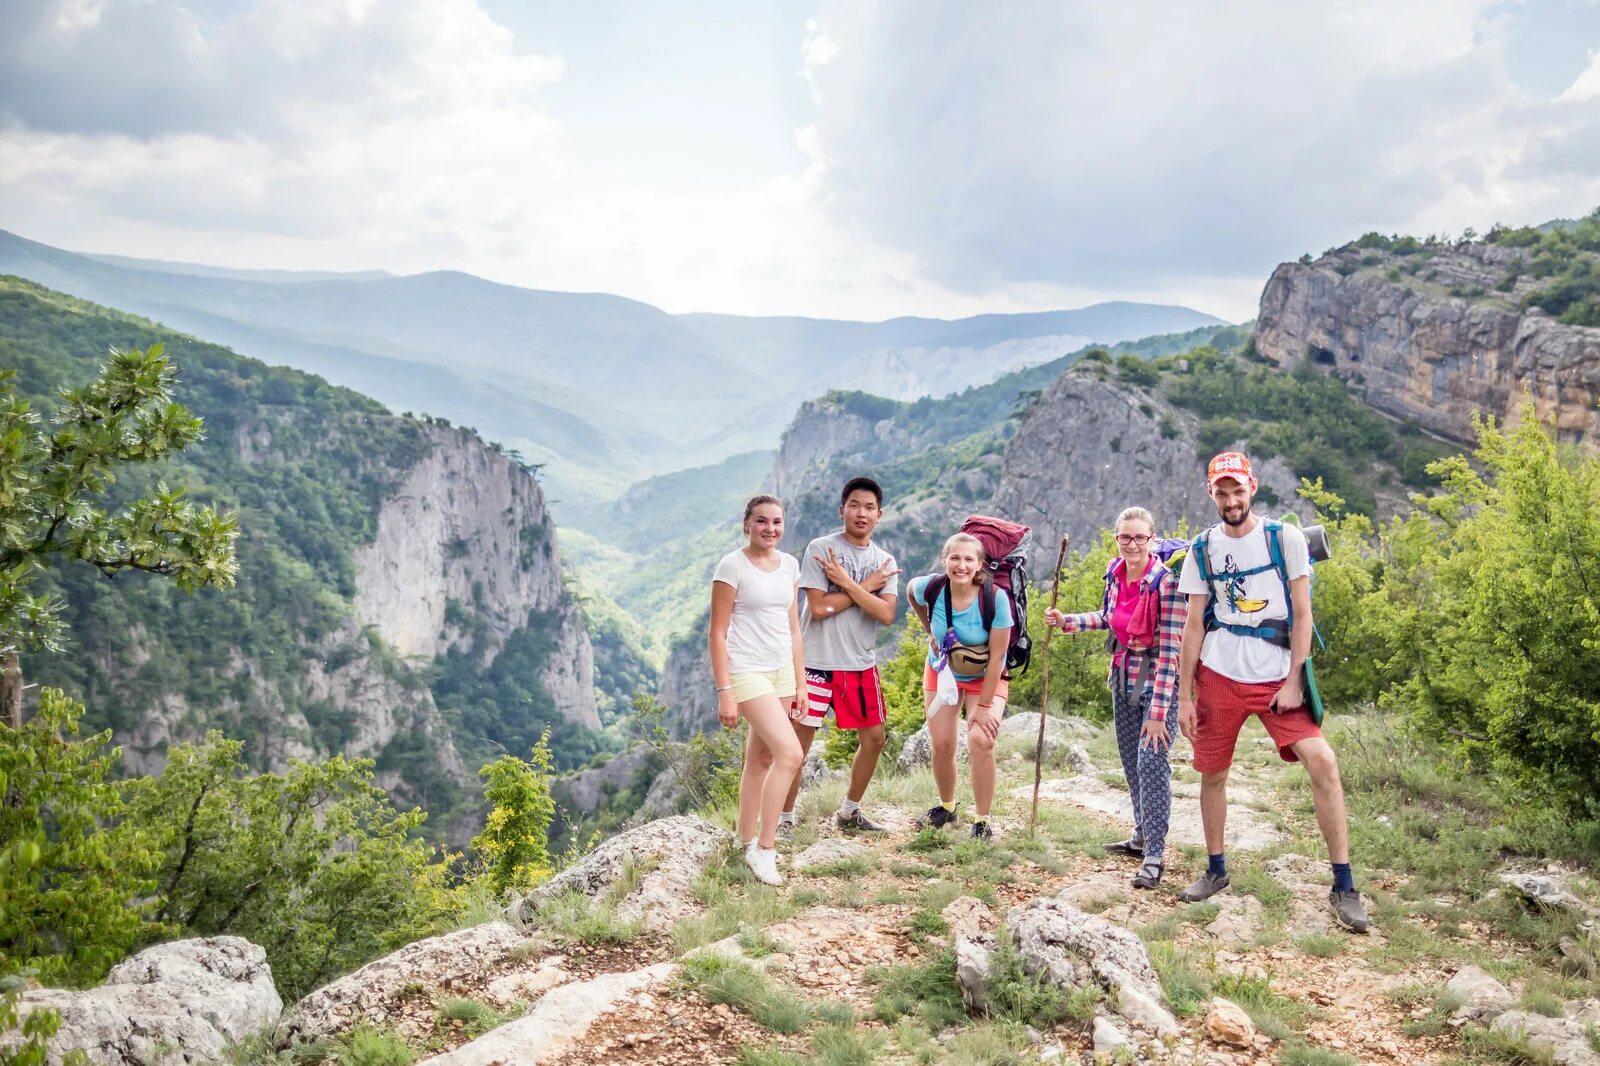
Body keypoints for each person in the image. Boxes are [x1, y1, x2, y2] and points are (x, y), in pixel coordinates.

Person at [1174, 452, 1369, 933]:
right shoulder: (1202, 550)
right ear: (1211, 494)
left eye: (1237, 489)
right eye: (1221, 491)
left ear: (1252, 488)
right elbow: (1194, 625)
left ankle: (1344, 885)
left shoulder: (1284, 539)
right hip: (1218, 672)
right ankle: (1216, 871)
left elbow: (1303, 614)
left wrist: (1294, 680)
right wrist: (1183, 695)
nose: (1230, 499)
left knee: (1322, 760)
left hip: (1276, 672)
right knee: (1213, 773)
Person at [1043, 506, 1186, 889]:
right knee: (1130, 762)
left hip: (1158, 684)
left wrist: (1159, 713)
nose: (1133, 544)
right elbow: (1109, 618)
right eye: (1126, 537)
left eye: (1140, 537)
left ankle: (1155, 853)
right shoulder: (1116, 574)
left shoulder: (1166, 583)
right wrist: (1067, 621)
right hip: (1123, 677)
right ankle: (1141, 835)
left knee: (1152, 764)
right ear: (1117, 538)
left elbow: (1172, 650)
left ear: (1153, 540)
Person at [781, 477, 901, 834]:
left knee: (875, 739)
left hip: (859, 663)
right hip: (815, 662)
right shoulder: (822, 548)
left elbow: (886, 614)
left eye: (869, 508)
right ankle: (784, 819)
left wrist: (846, 583)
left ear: (879, 515)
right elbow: (818, 608)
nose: (861, 513)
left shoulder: (885, 560)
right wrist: (867, 588)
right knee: (797, 747)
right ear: (842, 509)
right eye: (854, 505)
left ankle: (850, 812)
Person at [708, 494, 805, 886]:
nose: (770, 529)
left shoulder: (790, 565)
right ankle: (765, 850)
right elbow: (717, 634)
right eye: (762, 521)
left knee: (761, 758)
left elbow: (794, 627)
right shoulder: (732, 566)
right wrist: (724, 691)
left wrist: (800, 681)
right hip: (747, 671)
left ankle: (743, 838)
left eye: (777, 522)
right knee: (791, 753)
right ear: (746, 524)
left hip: (781, 670)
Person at [907, 532, 1013, 839]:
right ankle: (947, 807)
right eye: (955, 558)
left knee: (981, 741)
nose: (961, 565)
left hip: (985, 676)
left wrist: (982, 707)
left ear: (979, 564)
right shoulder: (933, 587)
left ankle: (982, 820)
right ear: (945, 560)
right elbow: (911, 592)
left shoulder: (995, 599)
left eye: (969, 559)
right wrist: (929, 629)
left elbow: (996, 658)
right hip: (943, 672)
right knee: (941, 744)